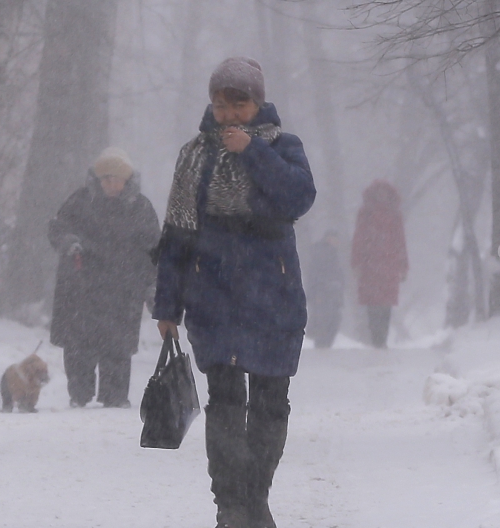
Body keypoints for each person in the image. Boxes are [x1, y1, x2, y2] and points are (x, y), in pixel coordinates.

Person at [153, 57, 315, 528]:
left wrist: (252, 152)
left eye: (239, 103)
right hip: (213, 296)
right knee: (224, 403)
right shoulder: (194, 156)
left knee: (271, 403)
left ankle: (254, 497)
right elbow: (177, 234)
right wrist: (167, 306)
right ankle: (230, 506)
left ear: (257, 102)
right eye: (221, 104)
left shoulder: (285, 147)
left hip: (274, 296)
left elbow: (298, 198)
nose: (228, 114)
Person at [49, 147, 160, 409]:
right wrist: (69, 242)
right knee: (78, 344)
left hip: (123, 288)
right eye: (107, 179)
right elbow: (57, 227)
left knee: (118, 345)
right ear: (97, 180)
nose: (112, 185)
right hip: (82, 286)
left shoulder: (141, 208)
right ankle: (79, 393)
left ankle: (115, 395)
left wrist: (153, 286)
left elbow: (154, 249)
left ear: (127, 180)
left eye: (118, 179)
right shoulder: (79, 202)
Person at [351, 179, 407, 348]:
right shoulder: (366, 214)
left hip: (386, 265)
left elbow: (400, 241)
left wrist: (403, 266)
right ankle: (377, 338)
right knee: (373, 304)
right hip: (372, 265)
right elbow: (358, 239)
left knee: (385, 305)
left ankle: (381, 339)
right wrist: (357, 262)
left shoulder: (394, 215)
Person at [305, 230, 345, 348]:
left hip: (330, 292)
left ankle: (324, 344)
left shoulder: (332, 252)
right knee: (325, 319)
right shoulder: (322, 252)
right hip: (323, 292)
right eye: (334, 238)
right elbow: (316, 274)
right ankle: (322, 345)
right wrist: (318, 291)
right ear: (327, 238)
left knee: (331, 319)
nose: (336, 241)